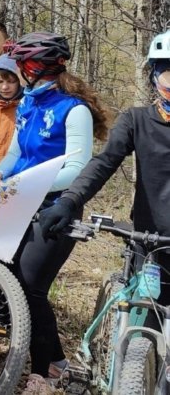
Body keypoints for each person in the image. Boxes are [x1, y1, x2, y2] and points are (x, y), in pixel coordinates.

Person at [0, 32, 111, 393]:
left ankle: (42, 372)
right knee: (14, 280)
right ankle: (57, 364)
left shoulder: (74, 109)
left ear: (33, 67)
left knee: (31, 286)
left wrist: (30, 184)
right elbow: (15, 153)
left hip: (57, 210)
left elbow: (78, 167)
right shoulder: (27, 103)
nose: (19, 72)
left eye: (21, 66)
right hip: (18, 201)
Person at [50, 30, 170, 299]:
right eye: (168, 73)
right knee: (141, 324)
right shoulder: (136, 121)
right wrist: (69, 201)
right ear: (154, 75)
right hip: (151, 242)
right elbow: (104, 163)